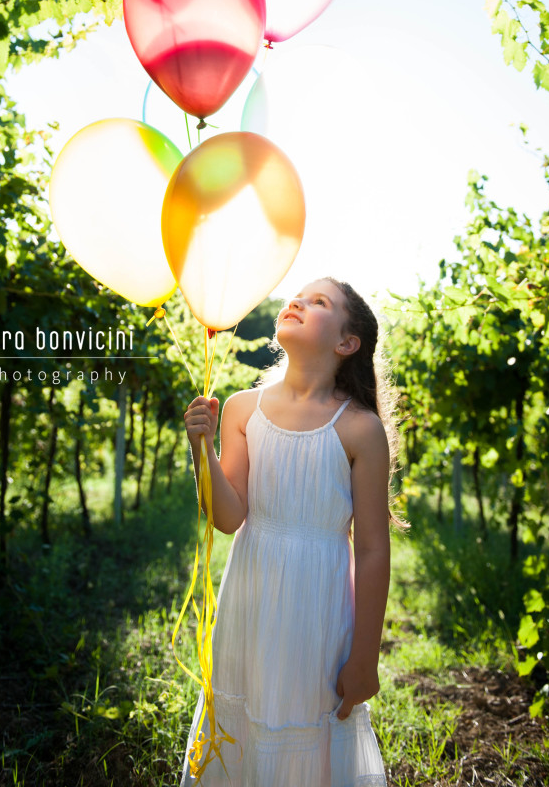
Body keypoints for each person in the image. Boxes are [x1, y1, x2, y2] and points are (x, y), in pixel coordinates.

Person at [180, 277, 404, 786]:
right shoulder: (242, 408)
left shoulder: (358, 428)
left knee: (303, 723)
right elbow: (230, 516)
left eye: (319, 301)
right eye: (298, 295)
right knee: (247, 714)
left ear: (347, 343)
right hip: (251, 599)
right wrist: (201, 450)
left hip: (316, 610)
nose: (297, 301)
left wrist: (365, 657)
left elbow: (371, 549)